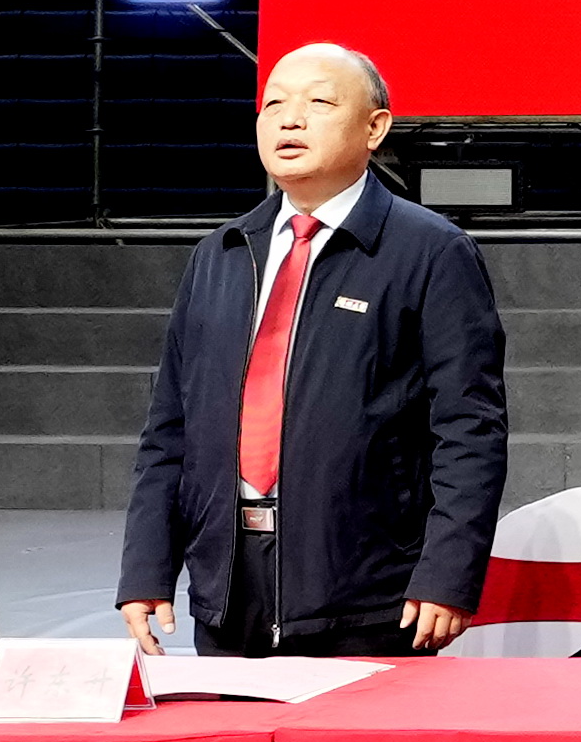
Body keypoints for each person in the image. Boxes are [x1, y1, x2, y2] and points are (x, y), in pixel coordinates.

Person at [119, 41, 507, 657]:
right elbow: (169, 428)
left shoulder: (431, 252)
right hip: (229, 585)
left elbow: (470, 429)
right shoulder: (221, 255)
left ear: (374, 128)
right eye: (274, 104)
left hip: (370, 590)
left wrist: (448, 574)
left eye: (319, 103)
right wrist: (146, 567)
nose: (290, 119)